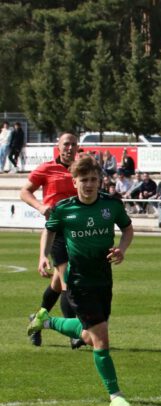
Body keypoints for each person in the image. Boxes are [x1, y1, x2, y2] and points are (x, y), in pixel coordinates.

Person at [27, 154, 134, 406]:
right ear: (74, 182)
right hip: (78, 281)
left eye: (93, 179)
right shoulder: (64, 209)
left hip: (103, 279)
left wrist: (121, 249)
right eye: (84, 180)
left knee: (88, 335)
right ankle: (115, 395)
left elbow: (127, 229)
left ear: (100, 181)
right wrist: (43, 256)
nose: (89, 184)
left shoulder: (111, 205)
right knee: (101, 337)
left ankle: (46, 321)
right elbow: (49, 229)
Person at [21, 132, 82, 348]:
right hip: (58, 232)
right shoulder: (47, 169)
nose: (70, 148)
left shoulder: (82, 168)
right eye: (66, 144)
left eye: (73, 144)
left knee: (57, 283)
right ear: (58, 146)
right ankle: (74, 333)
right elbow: (25, 192)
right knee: (67, 282)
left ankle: (37, 319)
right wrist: (40, 206)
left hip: (79, 233)